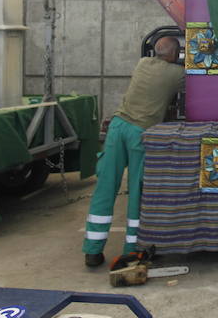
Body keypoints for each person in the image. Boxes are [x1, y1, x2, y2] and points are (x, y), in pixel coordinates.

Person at [82, 36, 184, 268]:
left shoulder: (142, 64)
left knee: (106, 186)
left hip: (118, 126)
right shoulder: (177, 75)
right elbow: (202, 78)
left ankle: (92, 250)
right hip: (140, 132)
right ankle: (133, 248)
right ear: (174, 55)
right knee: (137, 190)